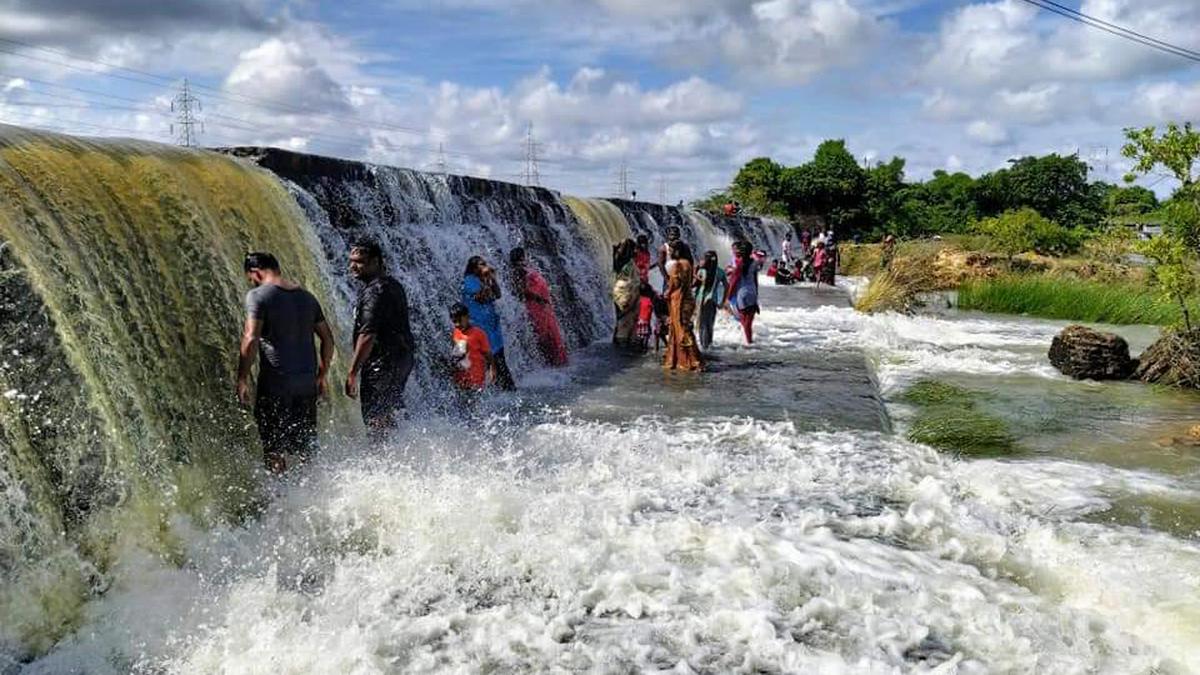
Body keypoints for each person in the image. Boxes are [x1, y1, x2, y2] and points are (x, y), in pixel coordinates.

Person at [237, 252, 334, 474]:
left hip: (276, 385)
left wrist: (242, 378)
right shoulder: (308, 298)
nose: (251, 282)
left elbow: (251, 337)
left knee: (274, 447)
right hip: (306, 384)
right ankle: (311, 493)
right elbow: (328, 339)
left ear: (256, 272)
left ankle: (281, 499)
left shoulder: (258, 296)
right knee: (305, 448)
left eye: (250, 278)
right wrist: (322, 375)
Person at [344, 240, 415, 439]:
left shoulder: (374, 292)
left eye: (359, 262)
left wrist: (352, 372)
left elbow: (367, 334)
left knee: (375, 419)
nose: (353, 266)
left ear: (375, 262)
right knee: (388, 414)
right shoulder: (393, 284)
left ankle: (382, 459)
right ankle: (396, 457)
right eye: (351, 261)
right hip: (401, 359)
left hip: (381, 364)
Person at [462, 256, 515, 390]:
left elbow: (497, 295)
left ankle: (505, 389)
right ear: (474, 268)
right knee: (491, 360)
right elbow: (481, 298)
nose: (485, 267)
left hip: (492, 327)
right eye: (481, 265)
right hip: (480, 328)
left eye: (485, 264)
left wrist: (493, 279)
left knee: (499, 358)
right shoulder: (469, 281)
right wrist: (486, 281)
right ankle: (501, 389)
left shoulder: (483, 279)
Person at [509, 247, 568, 367]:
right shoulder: (518, 270)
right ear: (520, 256)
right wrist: (538, 298)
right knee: (545, 334)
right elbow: (521, 290)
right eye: (523, 255)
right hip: (536, 306)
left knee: (550, 332)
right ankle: (551, 363)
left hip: (542, 304)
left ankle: (556, 362)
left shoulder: (524, 267)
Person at [663, 243, 703, 372]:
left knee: (681, 330)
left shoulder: (678, 265)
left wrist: (667, 293)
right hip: (688, 299)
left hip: (679, 300)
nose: (670, 253)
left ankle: (692, 360)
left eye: (673, 250)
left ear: (678, 251)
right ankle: (688, 359)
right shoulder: (688, 263)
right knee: (683, 328)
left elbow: (674, 283)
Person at [449, 302, 494, 405]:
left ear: (467, 317)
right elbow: (457, 352)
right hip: (461, 378)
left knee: (473, 405)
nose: (457, 324)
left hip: (476, 378)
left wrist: (492, 369)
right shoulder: (456, 332)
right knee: (462, 405)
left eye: (459, 321)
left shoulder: (479, 333)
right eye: (454, 322)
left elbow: (488, 354)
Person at [725, 241, 762, 345]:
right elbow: (755, 281)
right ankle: (749, 340)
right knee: (749, 321)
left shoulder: (739, 265)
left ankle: (747, 343)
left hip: (742, 294)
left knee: (743, 320)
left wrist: (728, 297)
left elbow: (733, 282)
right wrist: (756, 297)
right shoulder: (754, 263)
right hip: (752, 292)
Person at [695, 250, 727, 351]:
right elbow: (727, 286)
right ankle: (709, 345)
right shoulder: (720, 271)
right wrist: (723, 301)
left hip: (701, 300)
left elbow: (694, 284)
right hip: (713, 300)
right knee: (710, 324)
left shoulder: (702, 271)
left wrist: (694, 271)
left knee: (702, 324)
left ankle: (704, 348)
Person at [611, 238, 640, 350]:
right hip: (628, 290)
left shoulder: (618, 260)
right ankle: (623, 342)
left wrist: (617, 247)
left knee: (620, 317)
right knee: (627, 317)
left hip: (618, 289)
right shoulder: (629, 261)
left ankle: (617, 341)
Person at [657, 225, 682, 290]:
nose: (674, 237)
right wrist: (667, 279)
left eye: (676, 235)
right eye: (672, 235)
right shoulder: (664, 248)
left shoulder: (682, 247)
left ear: (679, 236)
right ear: (668, 236)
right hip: (669, 278)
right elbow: (660, 264)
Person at [635, 282, 656, 352]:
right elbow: (652, 308)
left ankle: (639, 347)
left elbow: (637, 309)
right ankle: (645, 347)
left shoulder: (639, 300)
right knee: (646, 335)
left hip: (639, 321)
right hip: (646, 321)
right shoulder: (649, 301)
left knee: (640, 336)